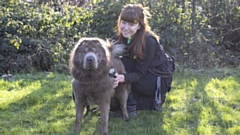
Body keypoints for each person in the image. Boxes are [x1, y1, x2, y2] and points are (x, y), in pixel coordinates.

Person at [110, 3, 174, 117]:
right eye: (123, 23)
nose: (125, 28)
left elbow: (139, 73)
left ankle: (131, 107)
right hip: (140, 75)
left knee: (123, 63)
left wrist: (122, 78)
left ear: (139, 26)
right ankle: (143, 103)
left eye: (131, 24)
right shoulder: (122, 36)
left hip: (156, 79)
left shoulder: (149, 41)